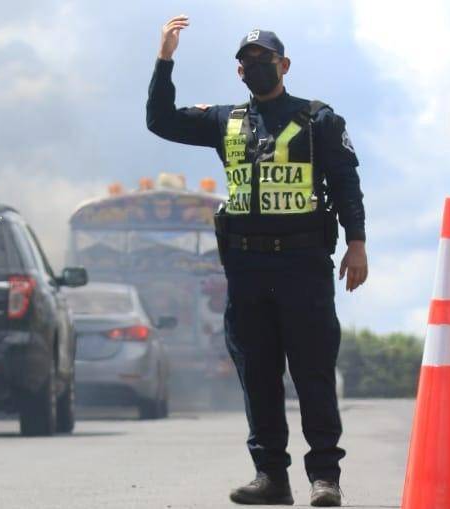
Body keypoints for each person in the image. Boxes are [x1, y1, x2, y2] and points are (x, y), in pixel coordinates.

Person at [147, 15, 368, 507]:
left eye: (263, 60)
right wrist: (165, 59)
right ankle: (271, 477)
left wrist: (357, 242)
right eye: (246, 62)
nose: (254, 67)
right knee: (258, 374)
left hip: (304, 265)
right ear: (239, 72)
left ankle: (325, 478)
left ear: (283, 64)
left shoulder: (319, 120)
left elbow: (346, 182)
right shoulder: (224, 120)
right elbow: (160, 121)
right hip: (246, 270)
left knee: (312, 371)